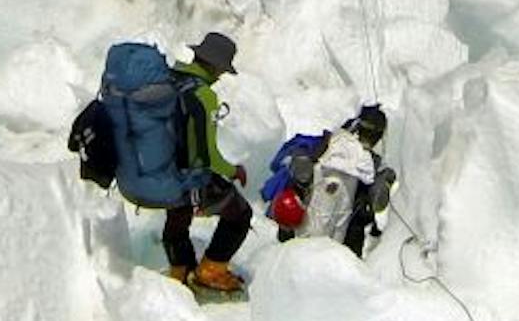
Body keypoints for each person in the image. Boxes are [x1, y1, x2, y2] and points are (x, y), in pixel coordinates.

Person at [165, 31, 254, 292]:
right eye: (221, 71)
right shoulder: (204, 95)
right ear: (214, 65)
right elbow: (208, 155)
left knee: (178, 217)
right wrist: (233, 170)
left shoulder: (170, 79)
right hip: (189, 174)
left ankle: (179, 270)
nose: (220, 77)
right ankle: (210, 270)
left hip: (161, 170)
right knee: (240, 214)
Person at [265, 104, 395, 258]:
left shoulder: (328, 143)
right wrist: (386, 179)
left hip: (299, 236)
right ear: (379, 136)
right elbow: (378, 203)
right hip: (340, 247)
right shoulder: (371, 165)